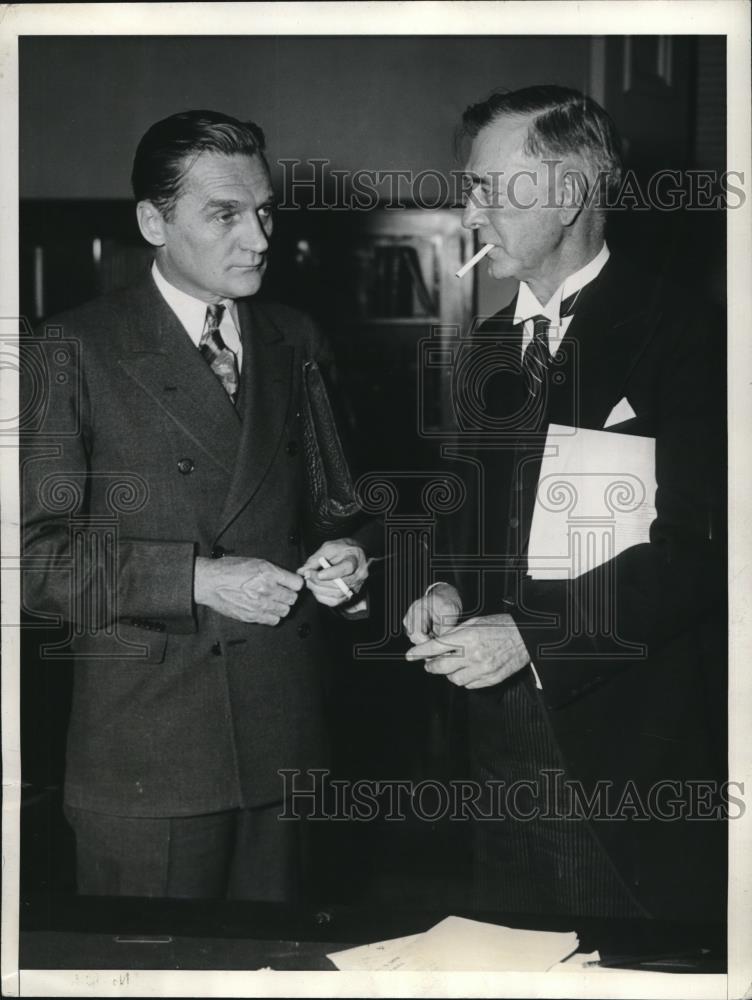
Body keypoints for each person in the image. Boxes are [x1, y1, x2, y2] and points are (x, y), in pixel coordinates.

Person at [21, 110, 370, 900]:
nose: (259, 237)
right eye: (225, 214)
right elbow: (33, 559)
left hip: (287, 743)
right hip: (149, 756)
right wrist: (196, 580)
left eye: (265, 211)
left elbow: (341, 510)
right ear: (154, 221)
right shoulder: (71, 348)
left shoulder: (297, 337)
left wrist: (352, 560)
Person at [404, 86, 726, 920]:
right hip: (497, 736)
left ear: (572, 194)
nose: (470, 213)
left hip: (623, 746)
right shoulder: (487, 343)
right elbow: (474, 520)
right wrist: (448, 589)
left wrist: (533, 634)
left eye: (490, 190)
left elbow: (705, 551)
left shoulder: (693, 336)